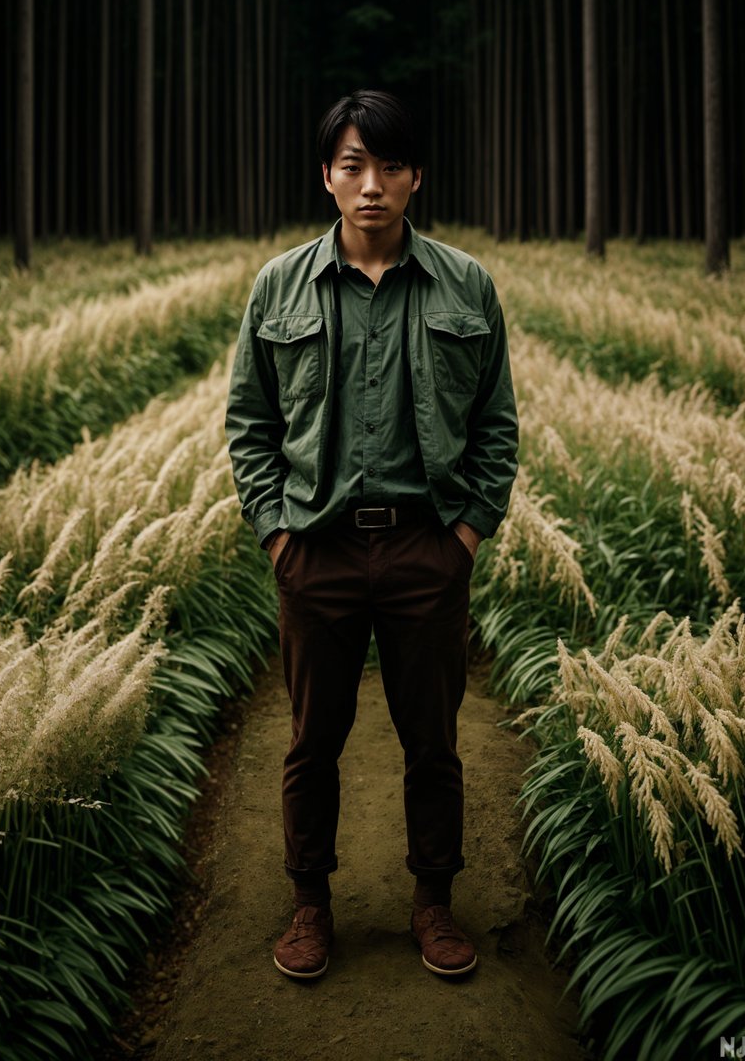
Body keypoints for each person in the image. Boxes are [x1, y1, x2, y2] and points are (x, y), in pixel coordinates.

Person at [224, 88, 518, 982]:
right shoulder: (280, 285)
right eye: (353, 164)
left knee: (432, 739)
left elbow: (498, 425)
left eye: (389, 165)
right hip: (317, 550)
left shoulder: (466, 284)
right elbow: (250, 422)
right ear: (327, 177)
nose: (372, 184)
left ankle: (434, 904)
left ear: (415, 177)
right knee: (313, 740)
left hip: (428, 551)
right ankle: (309, 904)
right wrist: (278, 536)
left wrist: (466, 534)